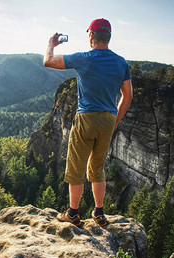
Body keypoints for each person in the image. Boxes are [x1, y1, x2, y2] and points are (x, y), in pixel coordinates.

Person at [43, 18, 133, 227]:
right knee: (98, 168)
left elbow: (48, 62)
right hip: (108, 119)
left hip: (86, 118)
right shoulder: (121, 62)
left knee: (76, 167)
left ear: (91, 36)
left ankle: (73, 214)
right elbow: (127, 96)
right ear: (108, 37)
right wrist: (115, 120)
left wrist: (51, 45)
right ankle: (99, 213)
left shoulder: (84, 58)